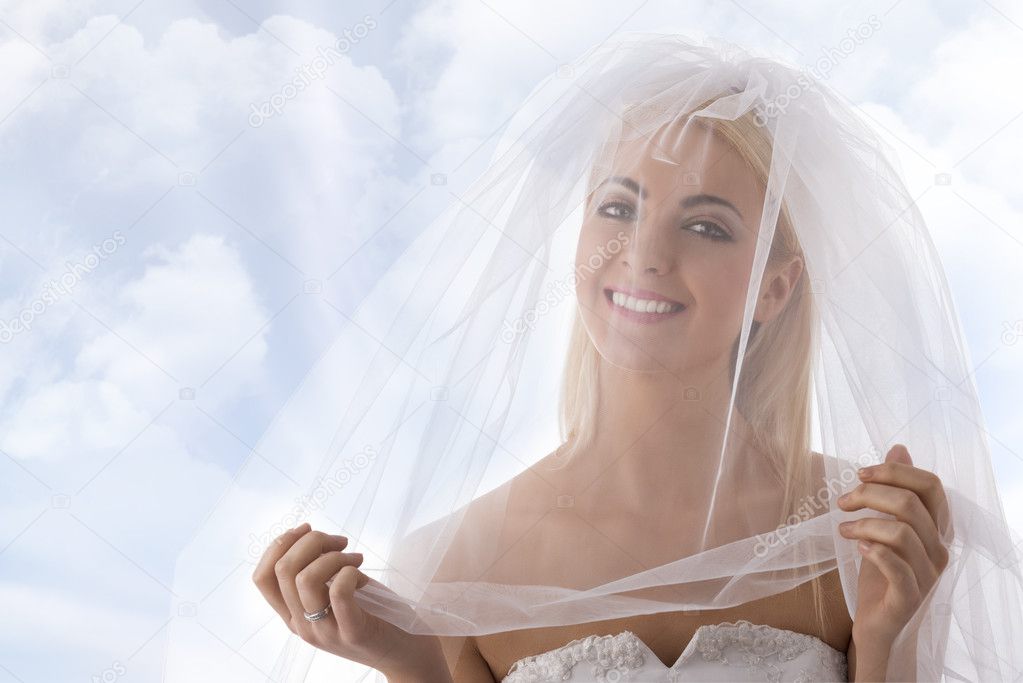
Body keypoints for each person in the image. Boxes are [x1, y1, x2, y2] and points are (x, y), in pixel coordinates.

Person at [189, 32, 1023, 682]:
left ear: (776, 286)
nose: (643, 256)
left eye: (705, 225)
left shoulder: (866, 531)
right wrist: (404, 662)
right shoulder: (456, 565)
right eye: (618, 208)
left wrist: (887, 632)